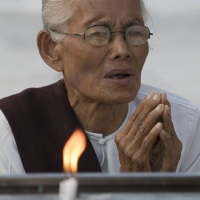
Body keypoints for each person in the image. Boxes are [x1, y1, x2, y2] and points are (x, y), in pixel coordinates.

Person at [0, 0, 200, 174]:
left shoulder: (182, 127)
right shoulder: (12, 129)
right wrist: (138, 187)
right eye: (98, 34)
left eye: (134, 32)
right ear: (51, 48)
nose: (122, 50)